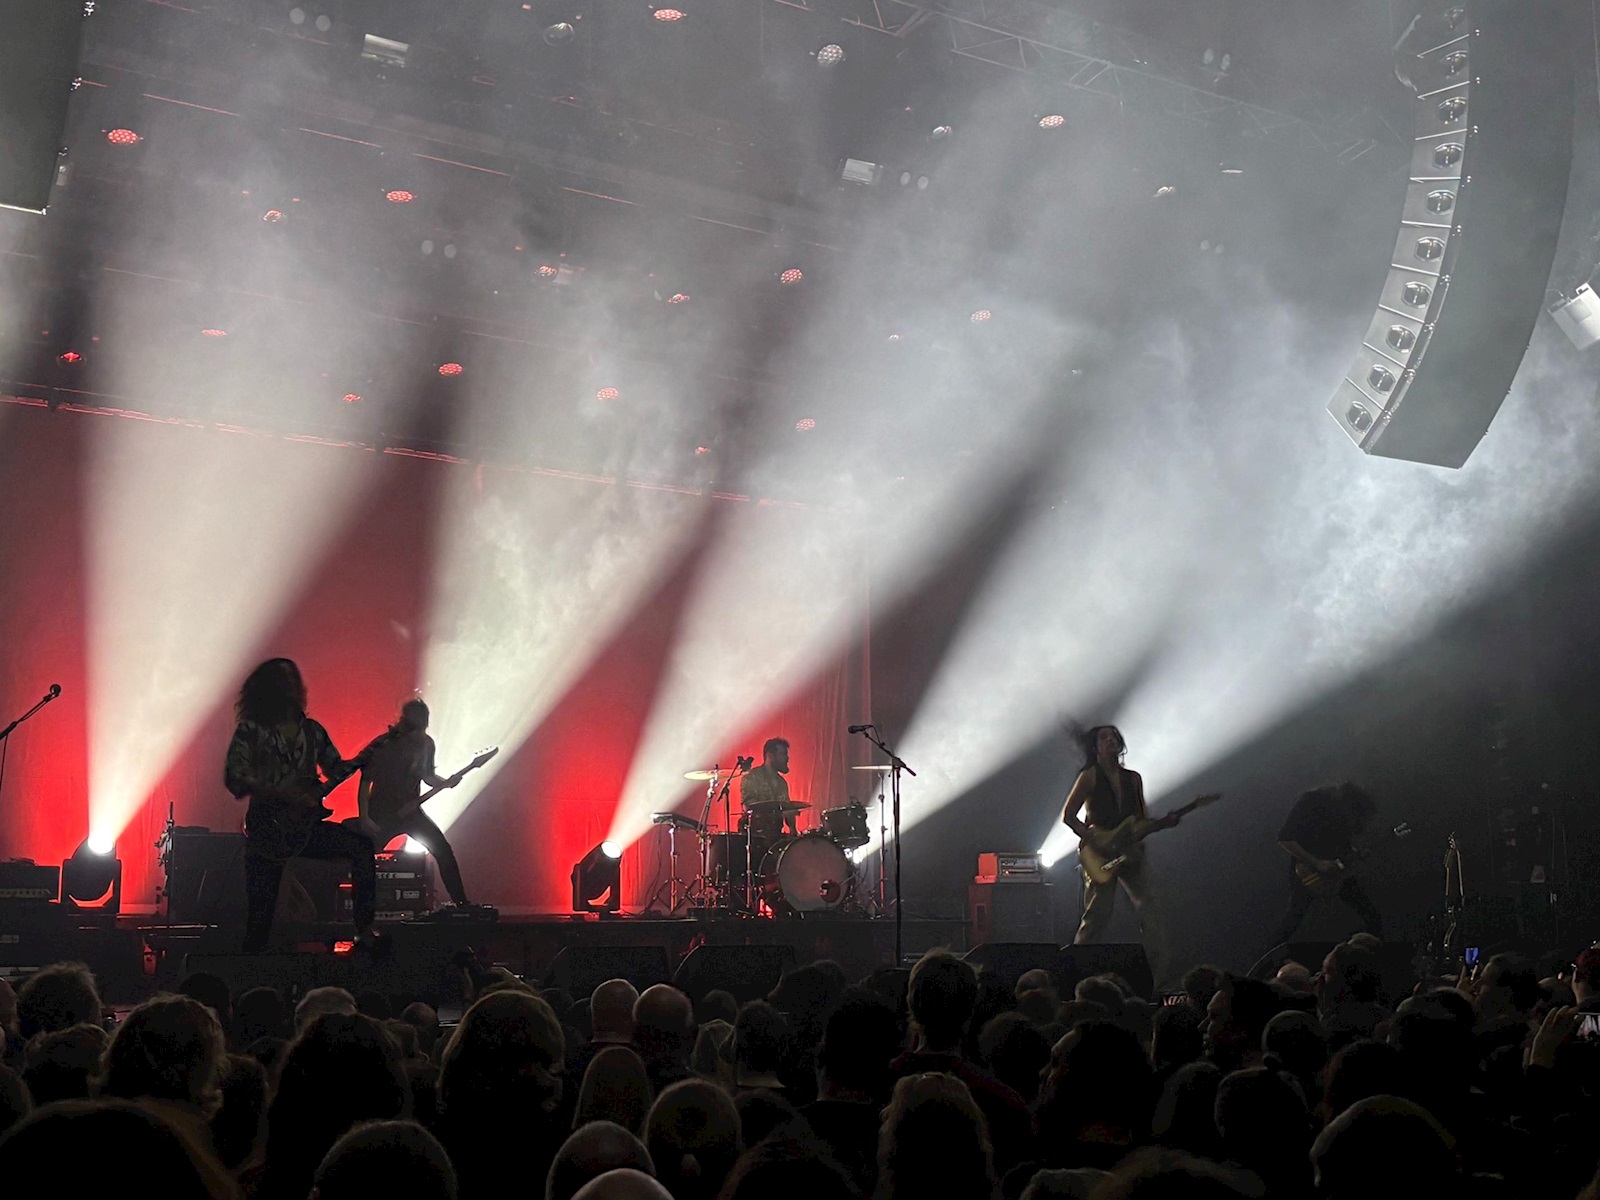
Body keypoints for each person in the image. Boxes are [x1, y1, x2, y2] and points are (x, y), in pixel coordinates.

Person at [222, 658, 377, 953]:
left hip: (305, 830)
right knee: (260, 921)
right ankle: (252, 971)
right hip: (267, 829)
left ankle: (364, 933)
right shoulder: (251, 731)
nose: (291, 687)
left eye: (293, 680)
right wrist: (284, 793)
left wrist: (364, 760)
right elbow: (235, 777)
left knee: (361, 848)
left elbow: (335, 768)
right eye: (283, 681)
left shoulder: (312, 731)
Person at [1060, 726, 1173, 984]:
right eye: (1104, 737)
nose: (1111, 740)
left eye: (1114, 736)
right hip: (1099, 853)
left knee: (1150, 908)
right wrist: (1093, 839)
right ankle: (1077, 975)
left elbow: (1141, 820)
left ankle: (1156, 978)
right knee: (1098, 913)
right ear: (1095, 747)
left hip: (1129, 852)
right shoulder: (1089, 776)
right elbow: (1069, 816)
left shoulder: (1133, 779)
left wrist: (1162, 823)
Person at [352, 698, 472, 908]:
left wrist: (446, 782)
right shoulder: (385, 745)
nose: (420, 731)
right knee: (364, 855)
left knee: (442, 850)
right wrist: (364, 818)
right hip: (382, 812)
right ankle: (358, 908)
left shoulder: (427, 744)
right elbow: (365, 782)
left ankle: (462, 903)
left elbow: (428, 776)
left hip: (412, 814)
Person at [1273, 782, 1384, 944]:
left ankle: (1371, 949)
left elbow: (1342, 845)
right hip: (1307, 872)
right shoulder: (1310, 802)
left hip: (1334, 872)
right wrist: (1316, 862)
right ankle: (1272, 954)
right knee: (1294, 917)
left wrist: (1354, 854)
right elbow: (1285, 839)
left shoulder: (1342, 817)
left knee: (1370, 914)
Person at [740, 738, 798, 844]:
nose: (787, 758)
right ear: (770, 756)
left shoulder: (782, 783)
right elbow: (747, 806)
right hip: (755, 837)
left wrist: (793, 830)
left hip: (776, 836)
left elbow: (787, 808)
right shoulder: (752, 777)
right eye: (783, 754)